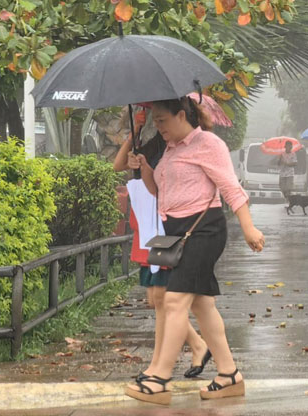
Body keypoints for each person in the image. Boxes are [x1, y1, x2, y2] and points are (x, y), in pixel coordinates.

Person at [125, 96, 265, 405]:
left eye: (161, 120)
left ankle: (159, 378)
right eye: (155, 121)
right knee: (202, 305)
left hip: (203, 230)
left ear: (180, 115)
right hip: (177, 232)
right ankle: (229, 375)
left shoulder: (208, 143)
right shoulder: (171, 149)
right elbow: (160, 191)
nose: (157, 127)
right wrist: (145, 168)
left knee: (174, 300)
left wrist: (248, 227)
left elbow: (230, 187)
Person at [112, 106, 212, 384]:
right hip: (145, 224)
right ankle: (193, 347)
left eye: (158, 117)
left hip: (162, 227)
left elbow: (161, 183)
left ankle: (163, 362)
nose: (155, 121)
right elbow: (118, 166)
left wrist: (145, 167)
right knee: (159, 299)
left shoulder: (171, 145)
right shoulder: (152, 140)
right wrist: (133, 137)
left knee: (165, 300)